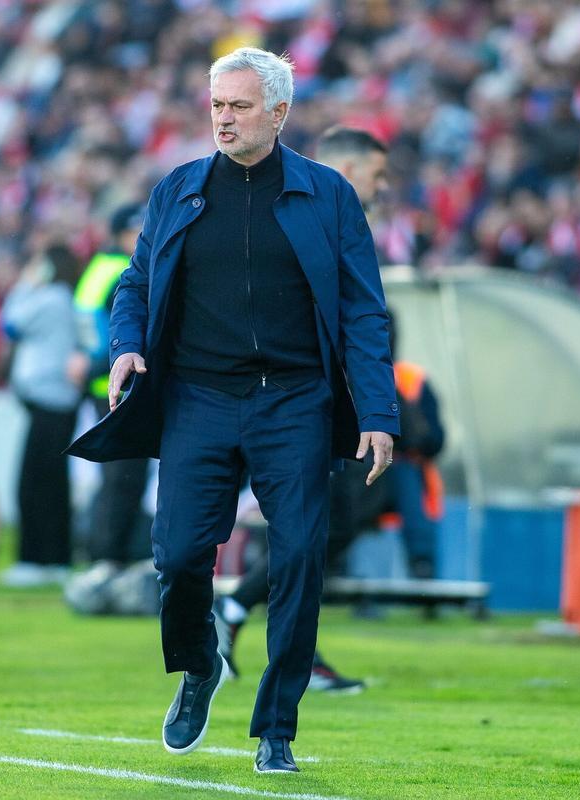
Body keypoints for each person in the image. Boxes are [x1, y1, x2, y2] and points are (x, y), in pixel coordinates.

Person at [67, 48, 399, 774]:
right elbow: (133, 286)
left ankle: (276, 727)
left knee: (303, 555)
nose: (223, 117)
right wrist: (125, 347)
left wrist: (378, 412)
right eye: (217, 104)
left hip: (295, 400)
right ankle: (198, 665)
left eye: (240, 106)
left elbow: (364, 312)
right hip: (199, 398)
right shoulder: (178, 190)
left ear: (278, 114)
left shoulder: (329, 195)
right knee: (180, 553)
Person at [213, 125, 393, 693]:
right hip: (302, 402)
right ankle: (289, 649)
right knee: (311, 526)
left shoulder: (338, 216)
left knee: (322, 527)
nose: (381, 186)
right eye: (376, 173)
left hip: (331, 404)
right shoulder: (306, 211)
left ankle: (244, 614)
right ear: (346, 165)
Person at [66, 204, 152, 598]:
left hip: (98, 380)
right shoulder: (122, 271)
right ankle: (111, 557)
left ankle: (102, 553)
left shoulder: (95, 270)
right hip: (120, 379)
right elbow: (125, 323)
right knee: (125, 477)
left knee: (113, 474)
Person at [0, 243, 83, 586]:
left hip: (50, 401)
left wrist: (23, 284)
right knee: (51, 482)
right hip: (56, 401)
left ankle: (36, 559)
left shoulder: (51, 299)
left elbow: (9, 324)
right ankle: (55, 557)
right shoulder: (62, 299)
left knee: (35, 484)